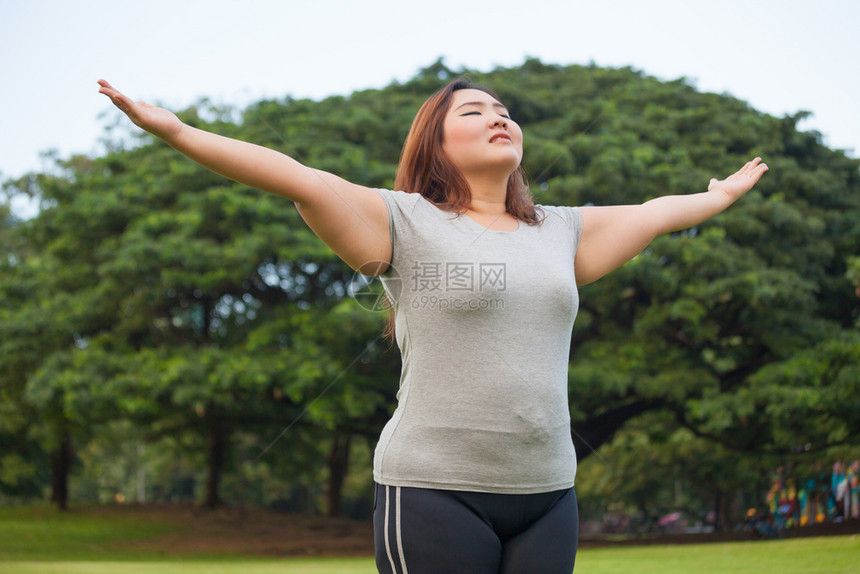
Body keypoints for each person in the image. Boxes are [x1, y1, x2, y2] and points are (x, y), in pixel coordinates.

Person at [98, 77, 768, 573]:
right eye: (474, 113)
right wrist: (179, 131)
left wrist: (718, 197)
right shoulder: (404, 219)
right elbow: (297, 179)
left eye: (504, 113)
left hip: (548, 494)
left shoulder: (561, 230)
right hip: (433, 490)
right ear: (436, 143)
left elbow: (654, 213)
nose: (498, 119)